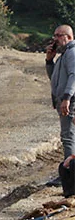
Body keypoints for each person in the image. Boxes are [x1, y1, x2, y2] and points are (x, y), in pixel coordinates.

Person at [47, 25, 75, 161]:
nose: (55, 39)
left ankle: (69, 172)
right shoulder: (63, 55)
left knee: (68, 136)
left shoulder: (72, 53)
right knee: (69, 136)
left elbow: (74, 75)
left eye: (59, 35)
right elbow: (54, 78)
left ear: (68, 37)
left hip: (71, 102)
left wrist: (67, 98)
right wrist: (49, 60)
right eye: (55, 35)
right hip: (65, 100)